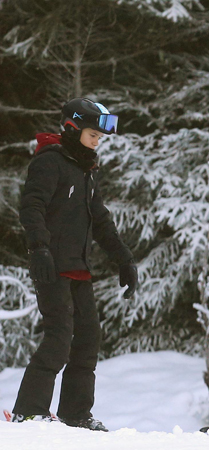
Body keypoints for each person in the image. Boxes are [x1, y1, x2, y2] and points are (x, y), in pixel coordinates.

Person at [11, 97, 138, 431]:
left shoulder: (85, 170)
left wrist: (123, 259)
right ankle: (29, 409)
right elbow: (32, 206)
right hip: (51, 265)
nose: (97, 141)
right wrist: (38, 247)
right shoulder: (49, 162)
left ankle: (75, 414)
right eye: (92, 134)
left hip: (78, 267)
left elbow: (100, 220)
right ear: (72, 127)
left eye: (100, 137)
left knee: (87, 340)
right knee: (59, 337)